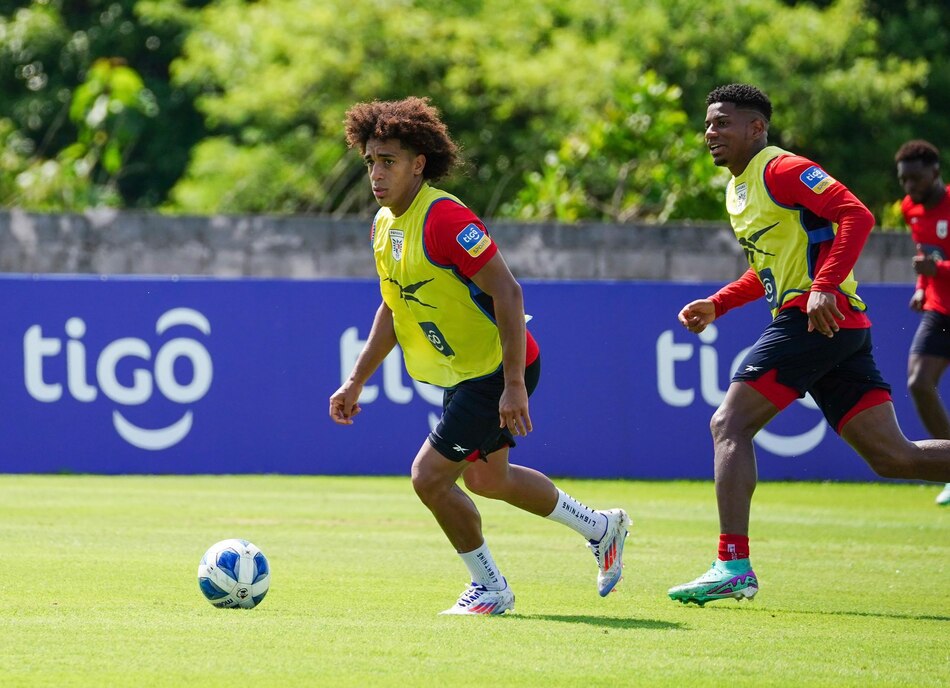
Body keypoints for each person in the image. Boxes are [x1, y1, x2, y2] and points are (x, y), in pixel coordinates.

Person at [329, 96, 630, 615]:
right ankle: (602, 528)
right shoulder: (383, 224)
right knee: (489, 479)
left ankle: (491, 587)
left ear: (418, 163)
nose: (376, 173)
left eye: (389, 161)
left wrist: (513, 385)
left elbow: (508, 293)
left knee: (428, 478)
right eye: (371, 162)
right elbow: (393, 305)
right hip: (469, 370)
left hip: (496, 367)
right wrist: (356, 380)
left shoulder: (445, 218)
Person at [669, 84, 950, 606]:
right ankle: (732, 565)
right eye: (708, 124)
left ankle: (732, 564)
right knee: (894, 458)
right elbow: (769, 270)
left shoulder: (782, 169)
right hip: (832, 326)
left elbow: (857, 215)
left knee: (728, 423)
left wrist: (822, 286)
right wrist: (720, 303)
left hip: (813, 319)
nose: (711, 133)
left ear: (756, 128)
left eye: (723, 123)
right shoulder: (738, 189)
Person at [895, 139, 950, 507]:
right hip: (940, 310)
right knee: (918, 382)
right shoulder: (910, 208)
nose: (909, 186)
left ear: (935, 172)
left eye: (916, 178)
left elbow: (936, 260)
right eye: (903, 180)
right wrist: (922, 285)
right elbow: (925, 255)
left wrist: (938, 270)